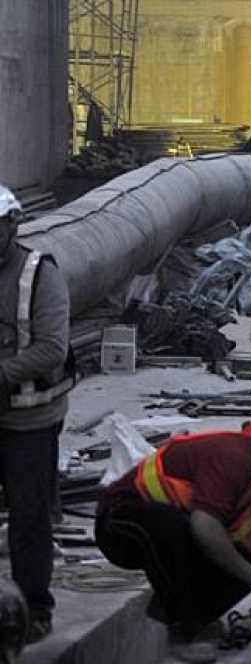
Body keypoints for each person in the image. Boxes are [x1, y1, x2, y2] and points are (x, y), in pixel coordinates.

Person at [95, 422, 251, 652]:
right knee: (169, 527)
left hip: (180, 531)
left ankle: (191, 613)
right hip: (120, 524)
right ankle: (185, 630)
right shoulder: (234, 459)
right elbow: (205, 527)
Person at [0, 184, 74, 644]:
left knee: (28, 518)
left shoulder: (38, 275)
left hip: (29, 421)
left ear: (12, 225)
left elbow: (51, 348)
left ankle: (35, 608)